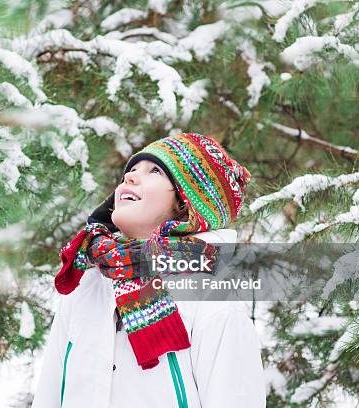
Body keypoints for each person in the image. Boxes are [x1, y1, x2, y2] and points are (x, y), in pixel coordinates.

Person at [31, 132, 266, 408]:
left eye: (155, 170)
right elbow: (49, 393)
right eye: (129, 172)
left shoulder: (211, 298)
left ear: (185, 204)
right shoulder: (88, 284)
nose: (129, 178)